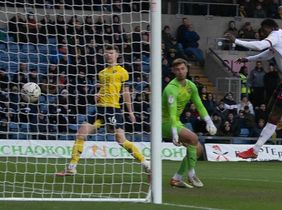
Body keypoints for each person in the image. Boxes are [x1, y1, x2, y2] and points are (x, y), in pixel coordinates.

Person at [225, 18, 282, 159]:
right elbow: (268, 53)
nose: (263, 33)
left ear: (271, 28)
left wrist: (236, 41)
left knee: (274, 115)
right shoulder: (280, 36)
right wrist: (249, 59)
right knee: (270, 108)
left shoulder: (276, 34)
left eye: (264, 30)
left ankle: (255, 149)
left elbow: (260, 46)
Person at [56, 45, 150, 176]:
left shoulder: (122, 71)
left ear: (117, 55)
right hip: (100, 110)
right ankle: (71, 167)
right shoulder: (102, 73)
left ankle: (146, 163)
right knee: (81, 134)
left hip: (113, 109)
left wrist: (130, 112)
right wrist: (97, 95)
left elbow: (126, 92)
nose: (108, 55)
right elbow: (102, 89)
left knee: (120, 139)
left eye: (111, 53)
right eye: (106, 53)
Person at [162, 58, 217, 188]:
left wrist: (209, 122)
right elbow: (172, 112)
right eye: (177, 69)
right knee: (194, 138)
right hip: (164, 122)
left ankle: (177, 178)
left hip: (175, 122)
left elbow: (199, 105)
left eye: (182, 68)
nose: (180, 71)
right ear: (173, 71)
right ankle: (191, 174)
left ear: (187, 69)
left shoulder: (191, 86)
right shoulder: (171, 88)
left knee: (198, 149)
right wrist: (175, 133)